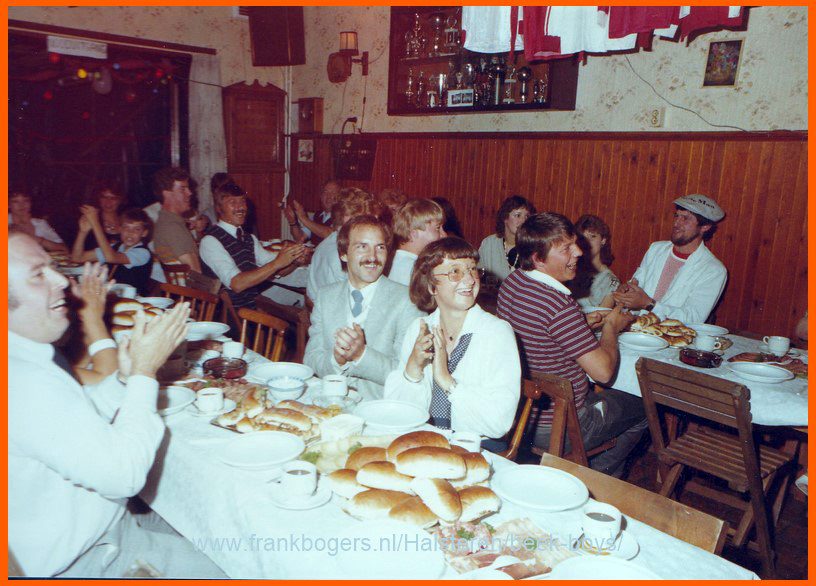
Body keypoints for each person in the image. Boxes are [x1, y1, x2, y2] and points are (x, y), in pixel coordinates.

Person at [8, 230, 226, 578]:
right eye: (38, 274)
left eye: (52, 268)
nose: (62, 281)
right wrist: (143, 371)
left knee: (217, 522)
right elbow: (125, 476)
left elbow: (80, 411)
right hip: (94, 559)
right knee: (233, 564)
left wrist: (124, 380)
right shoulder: (24, 384)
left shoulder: (24, 356)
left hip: (108, 522)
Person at [497, 212, 646, 477]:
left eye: (575, 243)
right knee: (645, 406)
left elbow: (538, 333)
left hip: (518, 416)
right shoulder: (559, 305)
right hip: (560, 426)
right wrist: (611, 326)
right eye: (566, 248)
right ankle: (599, 480)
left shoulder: (513, 283)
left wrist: (579, 325)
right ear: (538, 259)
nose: (578, 252)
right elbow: (603, 372)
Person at [384, 237, 521, 445]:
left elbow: (499, 423)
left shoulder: (496, 333)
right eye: (455, 272)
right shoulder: (419, 329)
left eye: (472, 269)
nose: (469, 280)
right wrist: (413, 369)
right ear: (431, 286)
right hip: (425, 438)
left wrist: (447, 381)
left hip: (476, 445)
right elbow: (399, 413)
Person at [304, 215, 424, 400]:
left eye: (380, 248)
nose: (373, 257)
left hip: (379, 409)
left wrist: (361, 355)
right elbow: (311, 359)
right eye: (362, 247)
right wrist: (337, 359)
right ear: (344, 253)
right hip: (329, 401)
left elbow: (409, 373)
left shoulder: (408, 301)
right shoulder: (326, 296)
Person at [613, 194, 727, 324]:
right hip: (638, 330)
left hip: (674, 339)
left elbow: (693, 319)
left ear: (705, 227)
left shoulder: (713, 270)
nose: (676, 223)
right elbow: (636, 287)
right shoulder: (656, 249)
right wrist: (626, 293)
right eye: (677, 216)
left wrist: (649, 304)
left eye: (685, 218)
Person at [199, 181, 310, 310]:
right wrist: (277, 263)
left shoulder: (248, 238)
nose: (240, 207)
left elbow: (275, 268)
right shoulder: (210, 241)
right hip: (233, 316)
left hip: (253, 305)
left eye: (242, 201)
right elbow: (237, 284)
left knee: (302, 299)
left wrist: (294, 259)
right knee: (302, 307)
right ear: (218, 208)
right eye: (232, 202)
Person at [306, 187, 384, 302]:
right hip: (332, 313)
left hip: (319, 307)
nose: (376, 225)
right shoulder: (345, 251)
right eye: (372, 219)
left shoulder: (331, 240)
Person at [71, 207, 153, 296]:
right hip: (113, 296)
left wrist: (95, 223)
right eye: (126, 227)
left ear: (144, 233)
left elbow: (111, 257)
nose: (130, 232)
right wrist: (83, 232)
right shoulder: (115, 247)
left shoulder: (143, 253)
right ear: (119, 229)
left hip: (134, 301)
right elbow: (77, 258)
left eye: (137, 229)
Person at [151, 167, 202, 273]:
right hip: (190, 289)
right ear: (167, 194)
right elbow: (196, 274)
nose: (190, 193)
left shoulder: (166, 221)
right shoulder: (172, 227)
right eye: (183, 189)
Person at [387, 198, 446, 286]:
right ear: (414, 234)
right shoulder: (410, 268)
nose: (444, 235)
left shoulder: (404, 261)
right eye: (437, 228)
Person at [478, 195, 536, 282]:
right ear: (505, 218)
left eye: (526, 216)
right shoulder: (489, 244)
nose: (523, 221)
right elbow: (478, 275)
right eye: (518, 215)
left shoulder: (531, 247)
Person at [569, 214, 620, 308]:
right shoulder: (570, 271)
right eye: (582, 238)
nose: (586, 242)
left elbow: (603, 317)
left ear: (603, 240)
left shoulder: (610, 281)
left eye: (592, 236)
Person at [285, 179, 340, 245]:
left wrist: (303, 218)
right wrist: (293, 222)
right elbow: (300, 238)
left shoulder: (342, 216)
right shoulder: (317, 216)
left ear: (340, 197)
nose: (329, 197)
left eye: (333, 193)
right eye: (325, 192)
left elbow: (329, 234)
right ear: (321, 196)